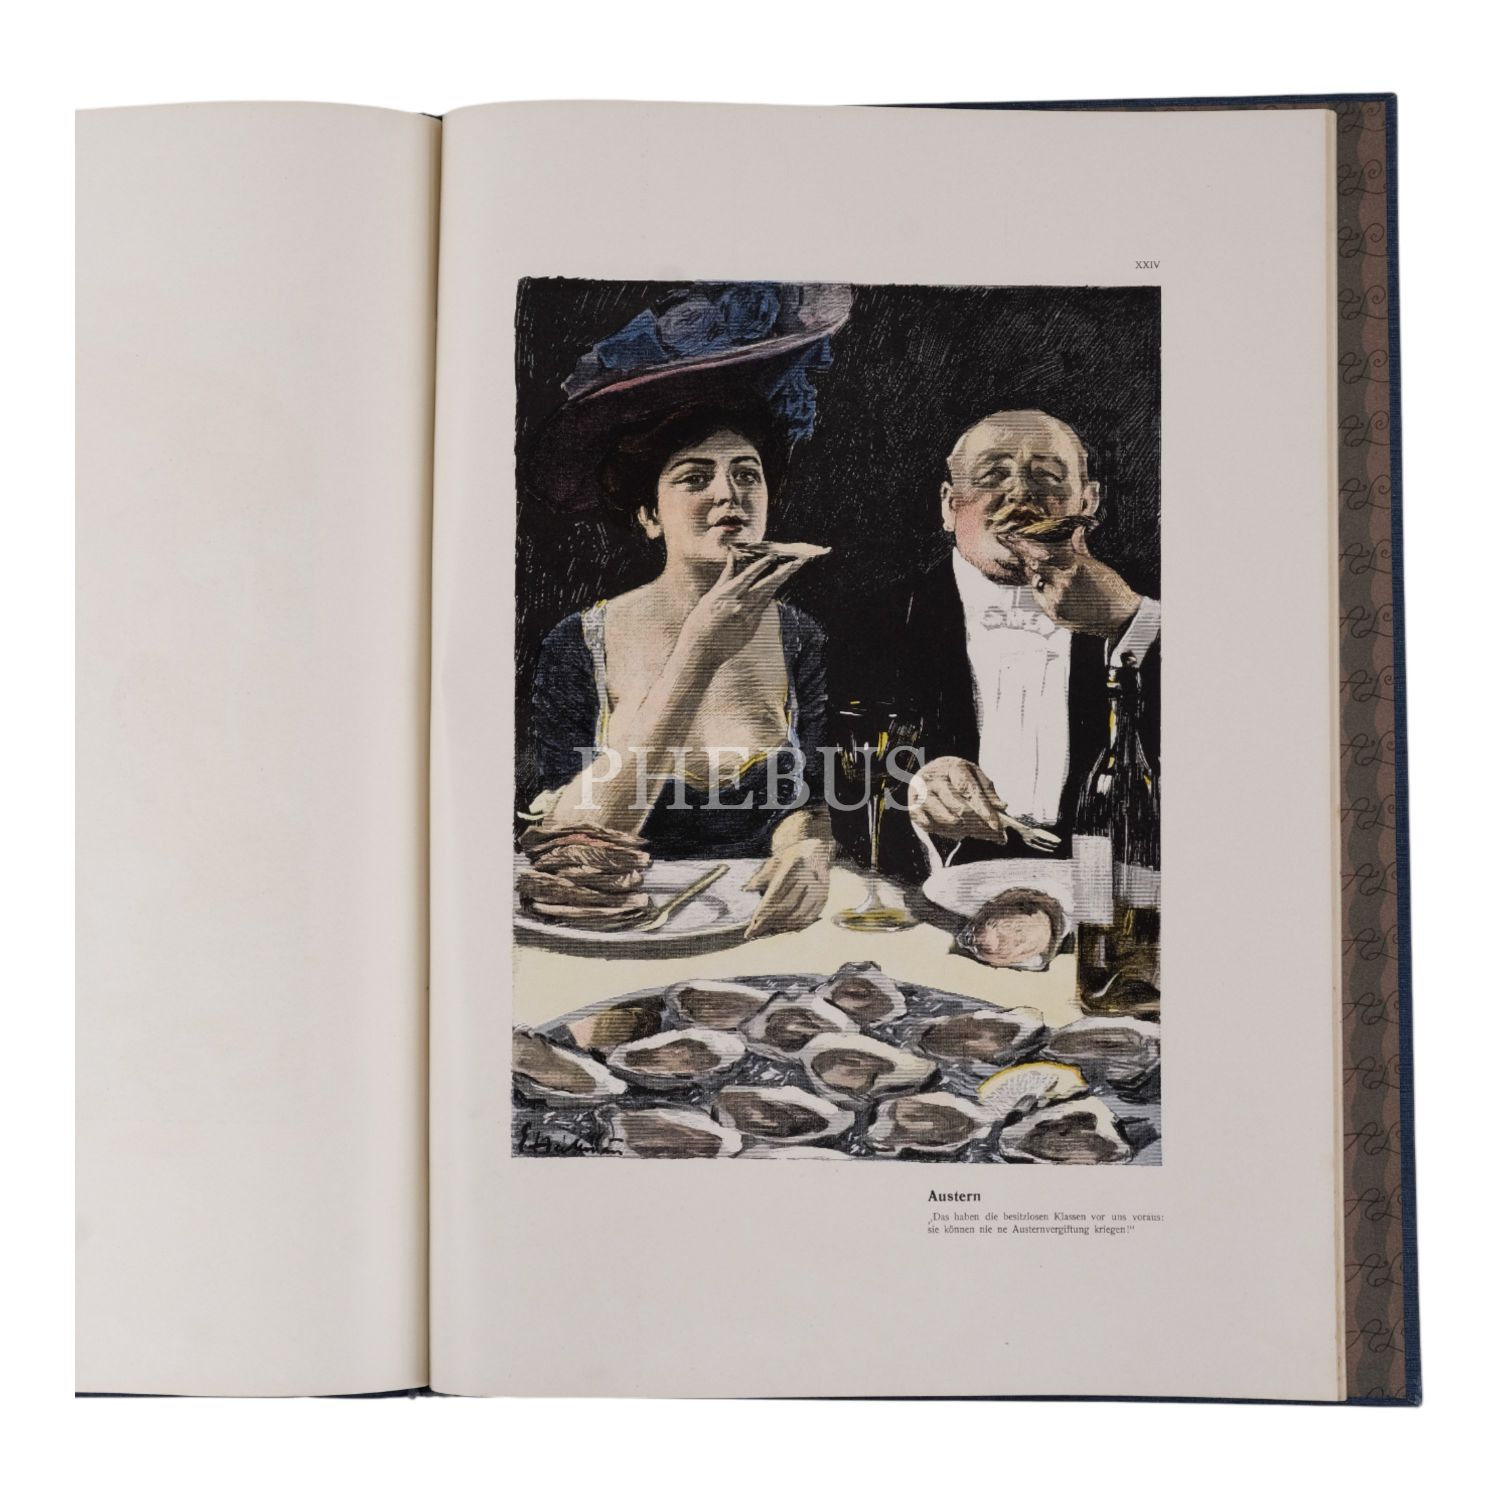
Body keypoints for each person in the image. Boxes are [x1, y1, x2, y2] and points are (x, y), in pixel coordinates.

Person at [526, 394, 834, 938]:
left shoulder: (800, 637)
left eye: (747, 474)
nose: (728, 494)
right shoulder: (577, 643)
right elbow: (570, 850)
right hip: (614, 929)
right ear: (649, 515)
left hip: (754, 924)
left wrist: (808, 848)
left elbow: (806, 798)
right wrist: (698, 654)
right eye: (695, 478)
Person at [834, 407, 1160, 879]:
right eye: (993, 476)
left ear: (1087, 502)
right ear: (949, 506)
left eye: (1046, 477)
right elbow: (835, 795)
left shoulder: (1151, 605)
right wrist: (917, 798)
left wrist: (1131, 619)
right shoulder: (872, 624)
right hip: (933, 897)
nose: (1021, 494)